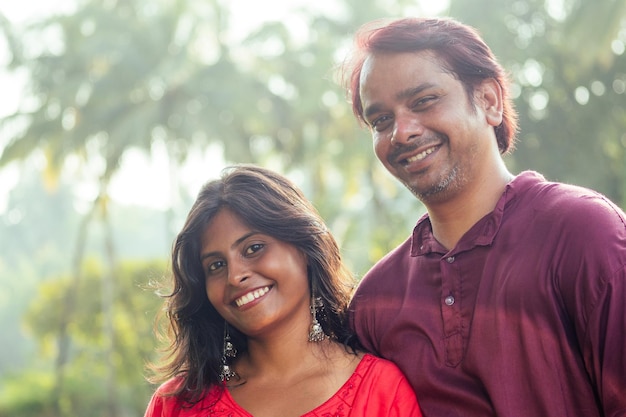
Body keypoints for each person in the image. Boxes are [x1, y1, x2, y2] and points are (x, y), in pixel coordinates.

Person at [341, 16, 626, 417]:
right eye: (381, 120)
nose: (401, 132)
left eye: (423, 101)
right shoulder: (375, 302)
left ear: (489, 101)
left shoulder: (583, 233)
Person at [143, 165, 422, 417]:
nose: (235, 275)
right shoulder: (176, 404)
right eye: (216, 265)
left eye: (253, 248)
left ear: (303, 249)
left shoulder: (380, 392)